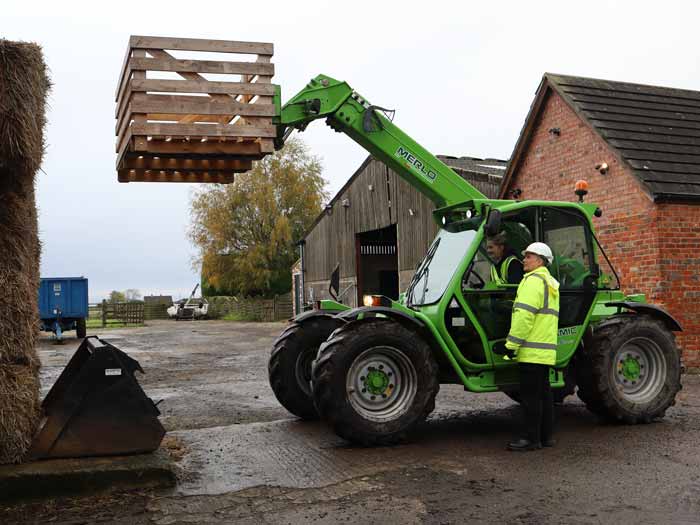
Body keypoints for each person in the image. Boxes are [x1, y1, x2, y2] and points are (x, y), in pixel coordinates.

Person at [504, 242, 559, 451]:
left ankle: (530, 439)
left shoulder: (532, 282)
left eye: (529, 256)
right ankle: (546, 437)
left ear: (540, 260)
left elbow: (524, 317)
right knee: (544, 395)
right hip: (544, 352)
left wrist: (511, 345)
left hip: (531, 352)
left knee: (530, 398)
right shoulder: (549, 283)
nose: (524, 260)